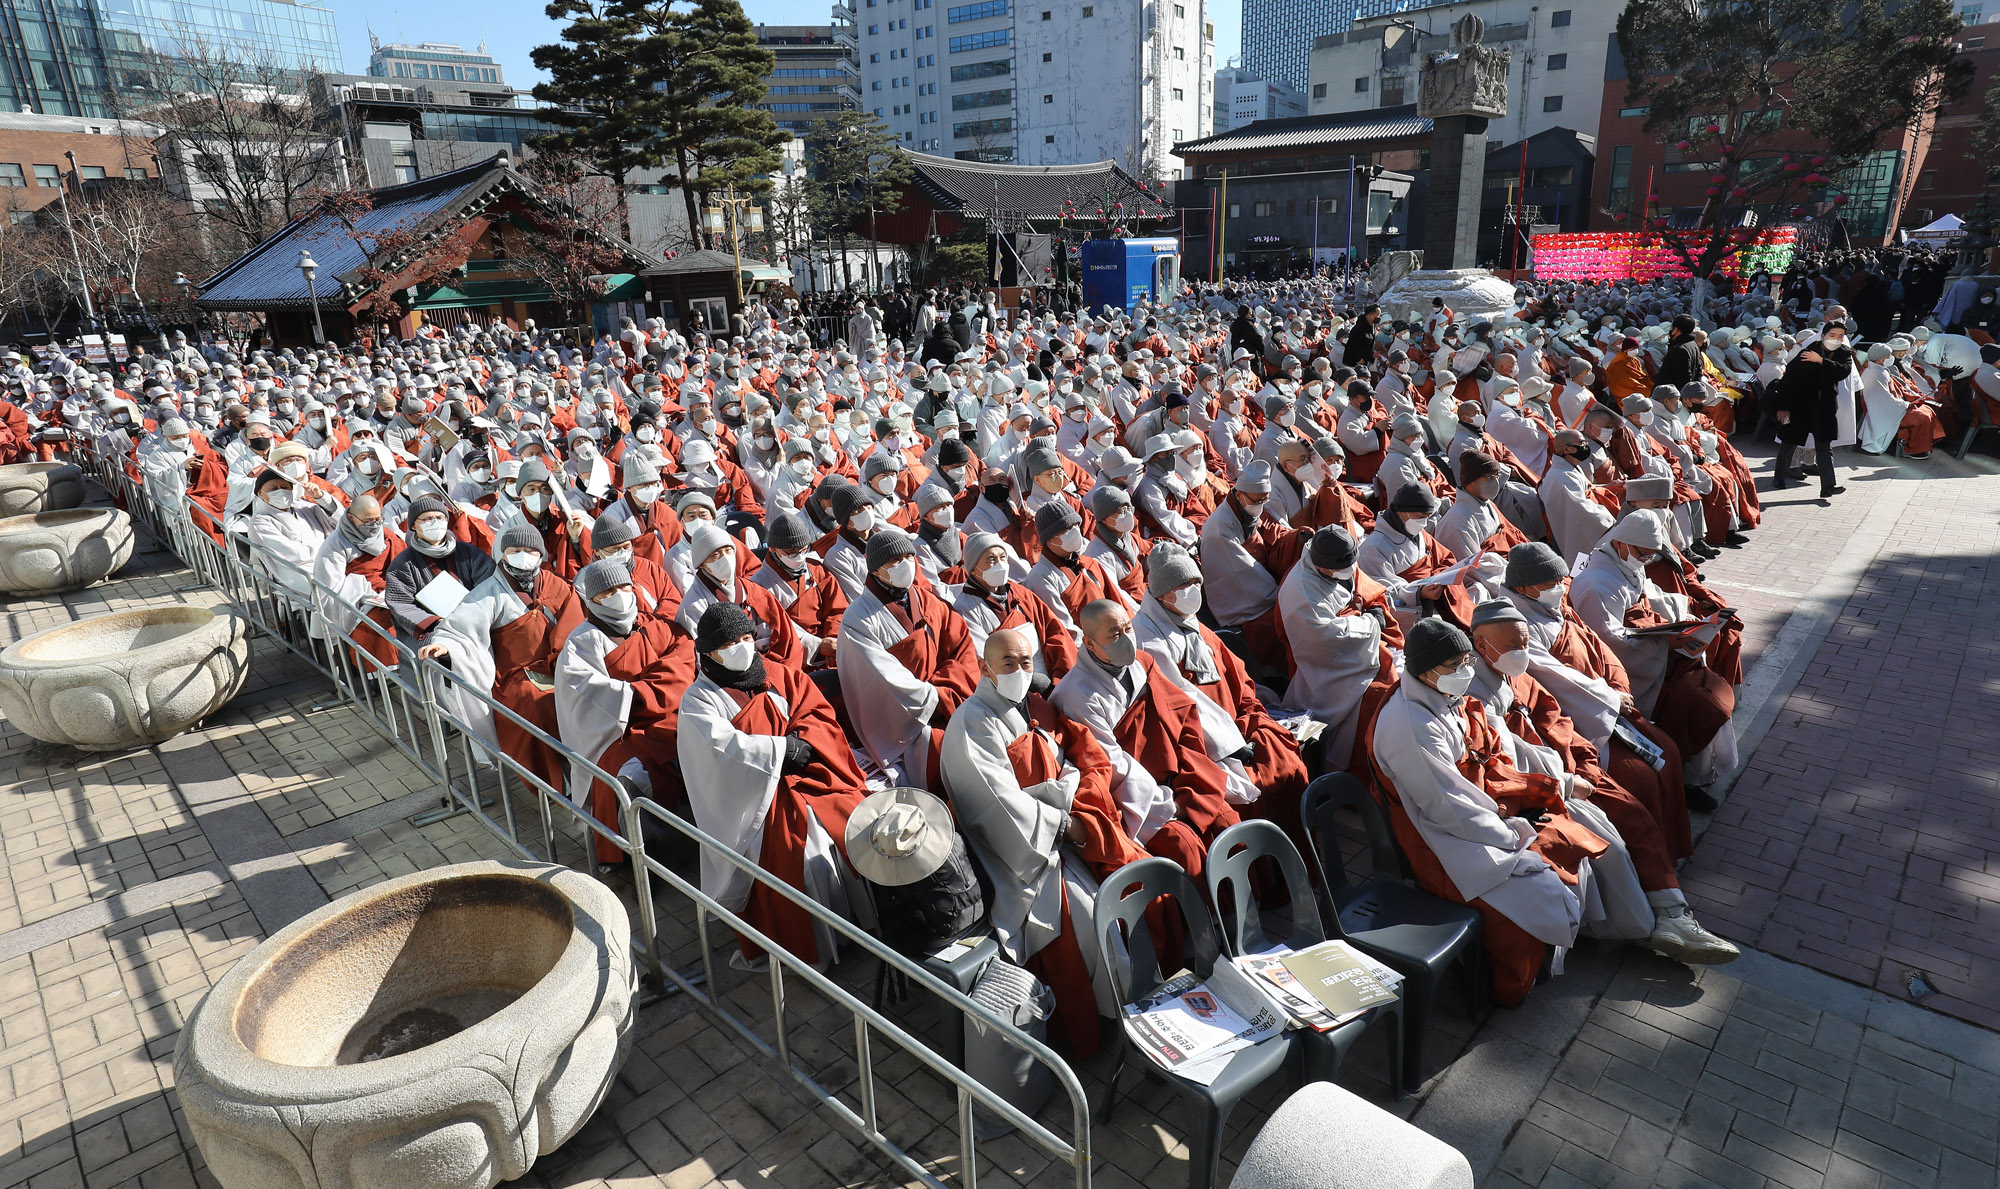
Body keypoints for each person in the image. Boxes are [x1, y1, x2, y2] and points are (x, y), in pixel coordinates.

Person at [941, 626, 1146, 1055]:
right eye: (1007, 663)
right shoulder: (971, 723)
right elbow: (996, 804)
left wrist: (1064, 797)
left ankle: (1133, 1009)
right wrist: (1062, 822)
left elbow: (1064, 762)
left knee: (1131, 881)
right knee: (1088, 915)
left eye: (1025, 661)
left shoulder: (1030, 706)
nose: (1019, 670)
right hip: (1018, 857)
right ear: (985, 669)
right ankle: (1094, 1027)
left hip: (1058, 829)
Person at [679, 602, 869, 967]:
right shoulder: (698, 699)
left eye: (745, 638)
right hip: (754, 800)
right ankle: (813, 948)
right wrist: (780, 750)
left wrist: (805, 740)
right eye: (728, 644)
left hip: (807, 773)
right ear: (708, 653)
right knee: (804, 856)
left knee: (851, 822)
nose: (741, 647)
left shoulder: (777, 673)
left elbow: (814, 711)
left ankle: (859, 924)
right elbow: (720, 751)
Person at [1050, 598, 1246, 883]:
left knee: (1228, 821)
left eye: (1128, 629)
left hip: (1177, 775)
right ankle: (1207, 912)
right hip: (1140, 800)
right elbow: (1111, 765)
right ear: (1089, 643)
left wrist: (1190, 777)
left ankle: (1252, 904)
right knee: (1184, 846)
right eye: (1114, 635)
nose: (1127, 639)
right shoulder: (1077, 695)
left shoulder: (1142, 663)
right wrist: (1168, 803)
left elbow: (1181, 717)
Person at [836, 529, 980, 788]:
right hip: (907, 719)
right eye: (895, 560)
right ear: (876, 570)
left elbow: (961, 646)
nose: (905, 564)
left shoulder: (925, 599)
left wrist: (947, 690)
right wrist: (936, 698)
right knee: (942, 747)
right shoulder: (857, 618)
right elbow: (881, 678)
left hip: (949, 697)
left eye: (908, 557)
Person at [1276, 527, 1401, 772]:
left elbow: (1362, 585)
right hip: (1326, 668)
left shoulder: (1337, 561)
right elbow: (1324, 637)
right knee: (1377, 697)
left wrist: (1373, 606)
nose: (1349, 570)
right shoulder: (1302, 592)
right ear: (1319, 564)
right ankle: (1361, 772)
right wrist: (1370, 624)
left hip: (1358, 651)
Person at [1773, 321, 1852, 496]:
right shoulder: (1808, 352)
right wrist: (1783, 407)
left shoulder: (1844, 353)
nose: (1836, 339)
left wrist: (1822, 361)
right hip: (1800, 406)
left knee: (1824, 446)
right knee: (1789, 442)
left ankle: (1828, 486)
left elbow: (1843, 371)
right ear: (1823, 336)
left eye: (1840, 336)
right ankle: (1779, 476)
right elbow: (1789, 381)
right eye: (1832, 335)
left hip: (1825, 407)